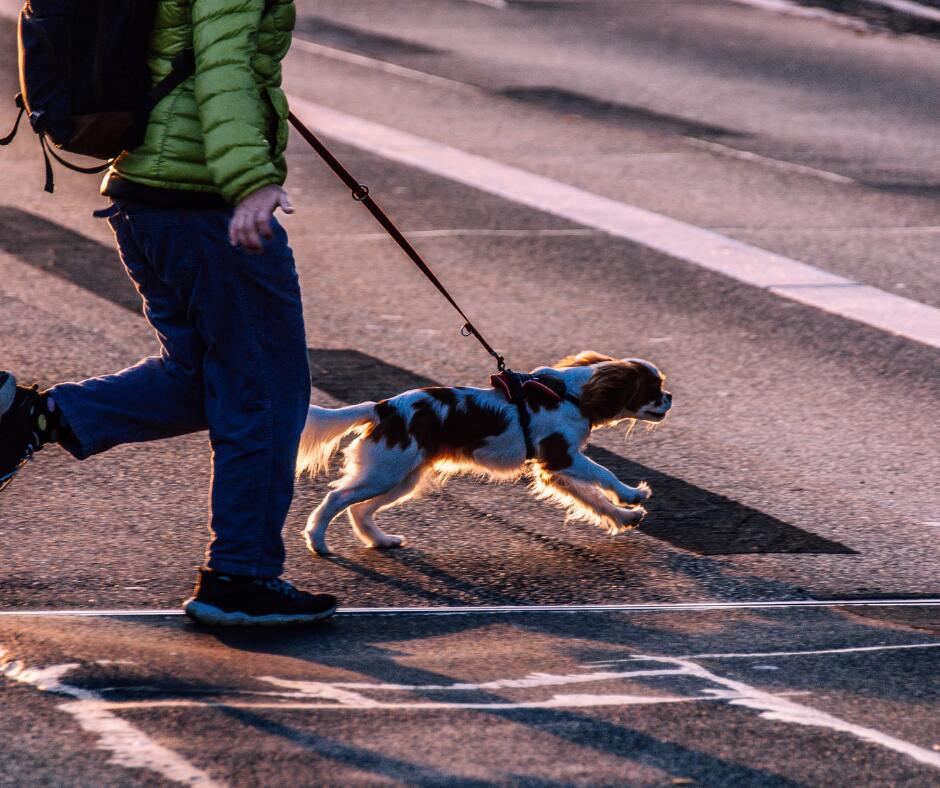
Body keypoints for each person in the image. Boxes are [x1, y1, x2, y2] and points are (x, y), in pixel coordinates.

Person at [0, 0, 337, 626]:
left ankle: (30, 418)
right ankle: (240, 577)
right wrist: (249, 181)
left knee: (199, 377)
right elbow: (223, 66)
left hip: (147, 196)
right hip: (200, 203)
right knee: (265, 393)